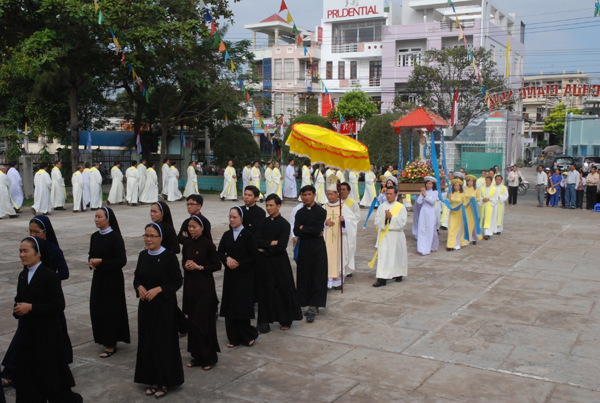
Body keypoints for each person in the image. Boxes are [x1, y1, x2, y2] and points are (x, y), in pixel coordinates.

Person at [11, 237, 83, 403]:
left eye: (25, 251)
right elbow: (19, 298)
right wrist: (17, 309)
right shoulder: (23, 275)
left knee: (50, 376)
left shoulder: (49, 276)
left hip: (46, 334)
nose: (22, 255)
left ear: (38, 254)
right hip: (28, 334)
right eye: (20, 251)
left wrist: (32, 308)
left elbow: (58, 305)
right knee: (28, 377)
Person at [133, 222, 184, 398]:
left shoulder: (169, 256)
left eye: (152, 236)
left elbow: (177, 281)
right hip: (146, 306)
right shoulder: (143, 255)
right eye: (146, 236)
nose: (148, 239)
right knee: (147, 342)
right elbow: (137, 277)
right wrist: (139, 287)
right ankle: (151, 379)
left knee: (162, 343)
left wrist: (158, 289)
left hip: (163, 307)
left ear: (160, 238)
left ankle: (164, 381)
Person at [255, 194, 303, 333]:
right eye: (267, 205)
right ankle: (264, 323)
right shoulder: (263, 223)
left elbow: (281, 246)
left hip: (279, 263)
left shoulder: (284, 224)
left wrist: (264, 248)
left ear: (279, 206)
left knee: (283, 290)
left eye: (271, 205)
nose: (268, 208)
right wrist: (271, 243)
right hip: (265, 263)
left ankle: (286, 319)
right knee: (265, 291)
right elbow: (256, 240)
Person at [88, 207, 130, 358]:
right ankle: (102, 338)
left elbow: (121, 260)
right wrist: (91, 262)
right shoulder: (94, 236)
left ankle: (111, 343)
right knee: (97, 308)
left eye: (99, 217)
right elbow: (91, 254)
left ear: (108, 219)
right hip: (99, 278)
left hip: (113, 280)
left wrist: (102, 262)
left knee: (111, 310)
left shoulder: (115, 237)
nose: (96, 219)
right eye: (95, 216)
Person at [182, 215, 221, 370]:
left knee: (202, 322)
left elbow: (217, 265)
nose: (191, 229)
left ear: (202, 228)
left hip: (205, 286)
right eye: (189, 227)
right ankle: (196, 355)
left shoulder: (208, 245)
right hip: (191, 285)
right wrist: (187, 265)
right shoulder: (187, 244)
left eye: (194, 227)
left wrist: (200, 267)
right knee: (192, 321)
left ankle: (209, 357)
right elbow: (184, 260)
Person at [218, 206, 259, 347]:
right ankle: (233, 338)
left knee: (242, 307)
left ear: (241, 218)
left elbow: (255, 257)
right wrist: (227, 259)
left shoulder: (248, 235)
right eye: (230, 217)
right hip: (230, 275)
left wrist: (240, 264)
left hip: (244, 276)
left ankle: (248, 335)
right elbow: (220, 252)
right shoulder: (227, 235)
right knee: (230, 306)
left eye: (234, 217)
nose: (232, 220)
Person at [293, 185, 327, 323]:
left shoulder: (321, 211)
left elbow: (318, 229)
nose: (306, 197)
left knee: (317, 276)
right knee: (304, 275)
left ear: (314, 195)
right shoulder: (299, 213)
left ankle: (314, 307)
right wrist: (310, 231)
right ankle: (303, 302)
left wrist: (304, 229)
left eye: (309, 194)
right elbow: (296, 231)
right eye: (304, 195)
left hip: (317, 248)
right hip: (304, 247)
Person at [370, 186, 408, 287]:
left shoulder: (401, 207)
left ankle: (398, 273)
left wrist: (392, 217)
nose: (389, 196)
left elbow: (403, 223)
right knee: (383, 256)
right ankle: (382, 278)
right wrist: (385, 218)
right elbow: (377, 221)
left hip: (396, 236)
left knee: (396, 255)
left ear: (396, 195)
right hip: (385, 236)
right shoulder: (382, 206)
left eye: (391, 194)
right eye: (387, 193)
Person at [324, 177, 353, 290]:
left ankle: (337, 283)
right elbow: (317, 221)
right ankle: (326, 282)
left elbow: (353, 222)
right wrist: (324, 222)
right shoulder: (324, 207)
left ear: (337, 194)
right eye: (327, 194)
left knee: (338, 259)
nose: (329, 196)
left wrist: (344, 221)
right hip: (326, 240)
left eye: (331, 194)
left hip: (339, 240)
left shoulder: (343, 207)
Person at [413, 176, 439, 255]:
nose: (428, 185)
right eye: (427, 183)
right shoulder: (424, 192)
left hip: (430, 212)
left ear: (433, 184)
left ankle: (433, 246)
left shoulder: (435, 192)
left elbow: (432, 201)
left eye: (430, 184)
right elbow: (419, 202)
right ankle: (422, 248)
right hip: (423, 211)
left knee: (431, 229)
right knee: (422, 229)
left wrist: (425, 195)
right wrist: (422, 194)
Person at [339, 182, 360, 276]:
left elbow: (357, 217)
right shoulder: (336, 201)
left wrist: (346, 221)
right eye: (340, 189)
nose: (342, 191)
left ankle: (348, 268)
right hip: (338, 229)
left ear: (349, 191)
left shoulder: (353, 202)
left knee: (349, 249)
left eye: (344, 189)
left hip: (349, 230)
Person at [446, 179, 465, 251]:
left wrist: (462, 205)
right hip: (452, 212)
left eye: (457, 186)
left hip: (459, 213)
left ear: (460, 187)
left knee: (457, 228)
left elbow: (465, 203)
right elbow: (450, 202)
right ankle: (450, 244)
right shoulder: (451, 194)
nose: (456, 187)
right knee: (451, 228)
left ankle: (456, 244)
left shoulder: (462, 194)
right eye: (455, 186)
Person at [463, 175, 481, 245]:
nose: (469, 183)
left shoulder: (476, 190)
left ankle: (473, 237)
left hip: (472, 208)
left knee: (472, 223)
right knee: (466, 222)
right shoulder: (465, 190)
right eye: (468, 181)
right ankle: (467, 237)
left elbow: (478, 199)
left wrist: (473, 199)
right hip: (466, 207)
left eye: (471, 181)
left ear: (473, 182)